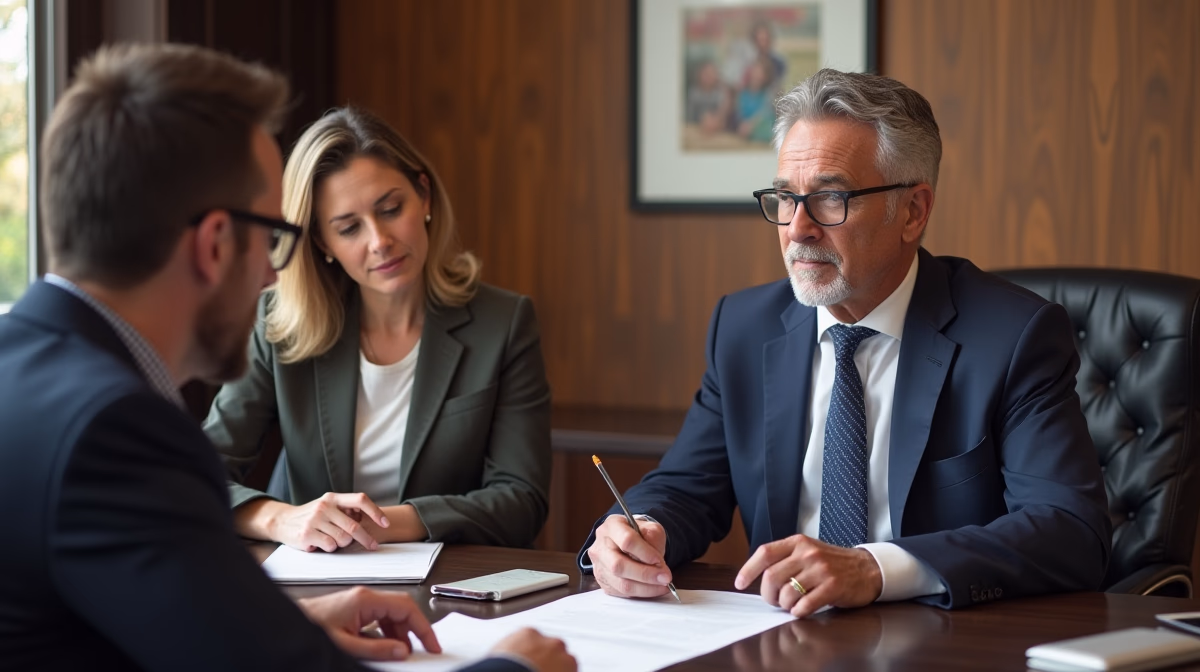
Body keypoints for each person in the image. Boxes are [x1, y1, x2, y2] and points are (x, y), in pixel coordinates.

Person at [0, 43, 573, 672]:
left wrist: (290, 623)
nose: (275, 276)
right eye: (274, 233)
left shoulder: (25, 374)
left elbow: (151, 622)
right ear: (218, 243)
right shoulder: (115, 428)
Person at [580, 68, 1111, 616]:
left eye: (831, 198)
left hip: (940, 643)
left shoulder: (1012, 336)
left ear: (913, 211)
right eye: (786, 199)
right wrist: (640, 528)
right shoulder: (744, 327)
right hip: (781, 638)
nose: (797, 228)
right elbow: (689, 485)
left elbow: (1071, 531)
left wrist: (876, 567)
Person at [201, 107, 551, 553]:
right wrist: (281, 518)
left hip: (446, 584)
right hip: (312, 579)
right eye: (348, 228)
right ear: (323, 243)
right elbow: (198, 472)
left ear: (423, 196)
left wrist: (381, 524)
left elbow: (523, 501)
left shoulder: (503, 323)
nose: (379, 240)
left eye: (390, 209)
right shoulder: (279, 323)